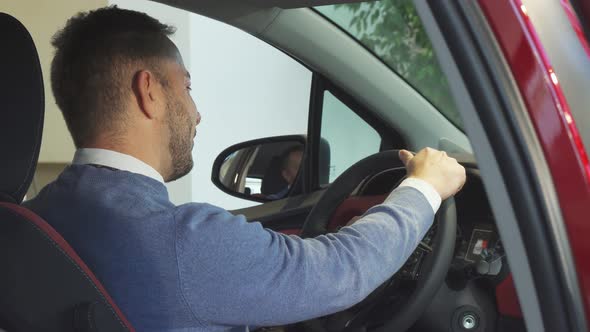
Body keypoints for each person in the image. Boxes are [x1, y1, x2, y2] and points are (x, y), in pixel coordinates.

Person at [24, 6, 466, 332]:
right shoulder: (185, 241)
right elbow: (341, 272)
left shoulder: (34, 220)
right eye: (187, 88)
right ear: (149, 92)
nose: (197, 114)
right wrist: (424, 187)